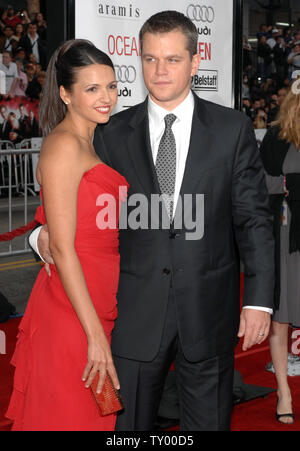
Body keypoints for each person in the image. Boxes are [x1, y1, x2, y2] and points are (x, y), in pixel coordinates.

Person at [31, 11, 275, 431]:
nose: (159, 71)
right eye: (149, 59)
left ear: (195, 62)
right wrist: (40, 238)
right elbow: (70, 205)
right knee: (128, 430)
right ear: (139, 59)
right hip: (131, 313)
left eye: (173, 59)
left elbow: (253, 220)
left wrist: (257, 300)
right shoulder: (108, 132)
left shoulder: (231, 129)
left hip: (209, 310)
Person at [6, 39, 127, 431]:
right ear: (65, 93)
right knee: (70, 418)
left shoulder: (89, 140)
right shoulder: (62, 146)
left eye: (110, 85)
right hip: (72, 315)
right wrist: (93, 335)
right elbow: (61, 246)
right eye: (91, 88)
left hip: (94, 304)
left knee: (91, 417)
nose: (106, 97)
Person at [260, 80, 300, 424]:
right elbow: (264, 184)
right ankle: (283, 393)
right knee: (281, 317)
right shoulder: (277, 136)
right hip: (287, 236)